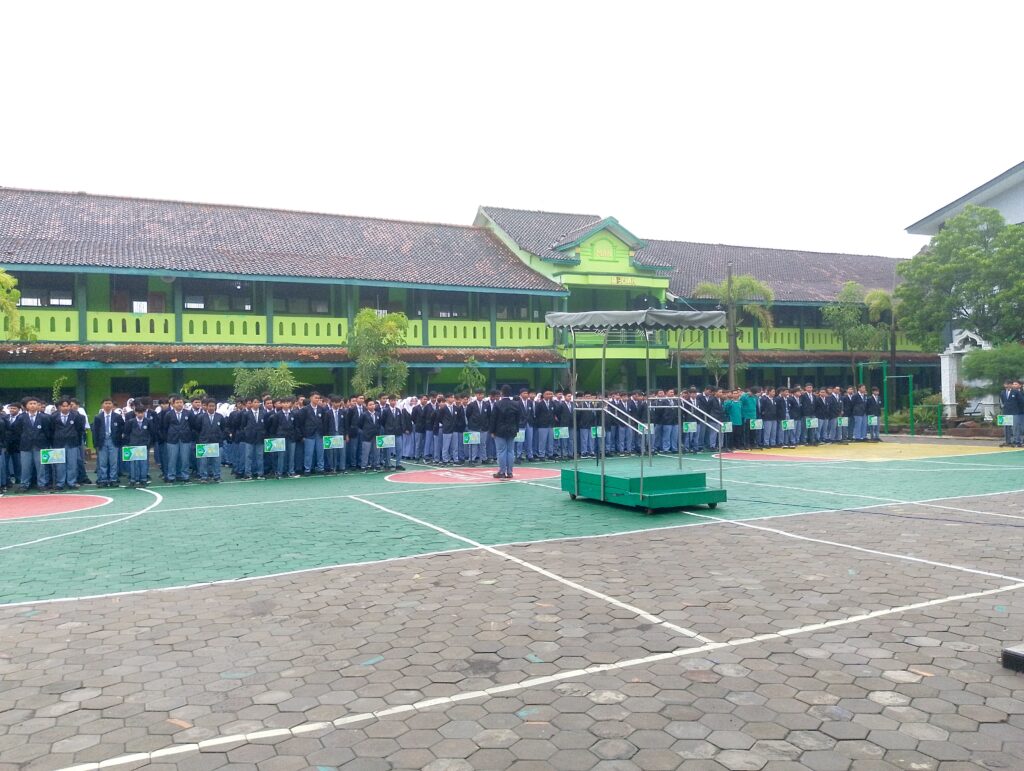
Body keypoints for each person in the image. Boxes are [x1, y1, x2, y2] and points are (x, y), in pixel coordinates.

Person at [15, 397, 52, 492]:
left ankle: (41, 484)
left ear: (38, 405)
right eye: (30, 403)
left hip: (40, 445)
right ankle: (24, 484)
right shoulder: (21, 417)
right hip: (25, 445)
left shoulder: (44, 417)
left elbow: (48, 432)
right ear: (26, 406)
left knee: (41, 467)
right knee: (25, 467)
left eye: (34, 403)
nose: (32, 405)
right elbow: (17, 431)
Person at [51, 398, 82, 491]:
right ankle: (60, 483)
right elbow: (51, 430)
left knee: (72, 464)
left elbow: (79, 429)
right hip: (58, 443)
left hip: (72, 443)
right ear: (59, 407)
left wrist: (76, 438)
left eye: (67, 406)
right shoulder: (53, 416)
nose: (65, 408)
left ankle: (71, 482)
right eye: (63, 406)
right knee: (59, 465)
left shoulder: (76, 416)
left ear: (70, 406)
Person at [93, 398, 124, 488]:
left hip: (113, 441)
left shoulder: (117, 417)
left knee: (113, 462)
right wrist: (96, 444)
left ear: (112, 405)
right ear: (102, 405)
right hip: (102, 442)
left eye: (109, 403)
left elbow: (122, 428)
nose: (108, 405)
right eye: (106, 403)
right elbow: (95, 432)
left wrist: (119, 440)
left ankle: (113, 479)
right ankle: (103, 480)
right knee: (103, 462)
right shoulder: (98, 417)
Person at [491, 385, 520, 479]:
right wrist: (516, 429)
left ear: (501, 393)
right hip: (512, 430)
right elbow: (518, 419)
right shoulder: (516, 404)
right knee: (510, 451)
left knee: (501, 451)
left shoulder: (497, 404)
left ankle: (502, 472)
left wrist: (492, 431)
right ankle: (510, 472)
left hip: (499, 431)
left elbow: (493, 419)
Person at [123, 404, 156, 487]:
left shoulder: (148, 421)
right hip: (133, 445)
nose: (140, 414)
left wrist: (149, 444)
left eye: (142, 412)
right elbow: (126, 433)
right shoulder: (130, 422)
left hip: (144, 445)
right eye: (138, 412)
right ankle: (133, 479)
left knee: (143, 463)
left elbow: (152, 433)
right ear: (135, 412)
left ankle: (143, 479)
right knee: (133, 464)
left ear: (144, 412)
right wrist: (128, 443)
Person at [195, 398, 226, 483]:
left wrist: (220, 437)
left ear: (215, 407)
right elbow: (197, 429)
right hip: (204, 442)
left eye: (213, 406)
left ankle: (217, 476)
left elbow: (223, 428)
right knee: (203, 462)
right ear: (206, 407)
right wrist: (202, 438)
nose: (211, 408)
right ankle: (203, 477)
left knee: (216, 461)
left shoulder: (220, 417)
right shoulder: (201, 417)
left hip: (216, 442)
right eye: (209, 406)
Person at [357, 399, 381, 472]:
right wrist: (365, 431)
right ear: (367, 406)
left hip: (376, 435)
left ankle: (376, 465)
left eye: (373, 404)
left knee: (376, 451)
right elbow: (360, 424)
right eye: (370, 405)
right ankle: (364, 466)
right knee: (366, 452)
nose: (372, 406)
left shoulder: (378, 414)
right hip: (367, 436)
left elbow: (379, 424)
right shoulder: (364, 414)